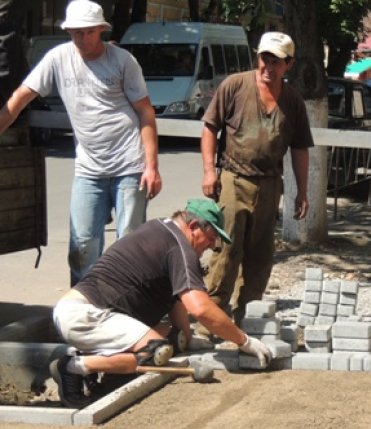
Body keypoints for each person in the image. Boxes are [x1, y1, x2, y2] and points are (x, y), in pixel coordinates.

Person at [49, 198, 273, 408]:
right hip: (86, 316)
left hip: (85, 312)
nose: (213, 245)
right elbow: (200, 308)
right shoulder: (180, 248)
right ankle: (73, 368)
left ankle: (96, 371)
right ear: (195, 226)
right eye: (212, 236)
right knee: (158, 351)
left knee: (175, 338)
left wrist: (187, 336)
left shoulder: (162, 230)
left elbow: (173, 298)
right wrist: (244, 341)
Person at [0, 0, 162, 286]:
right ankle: (84, 306)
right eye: (75, 32)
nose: (81, 38)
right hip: (89, 169)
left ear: (100, 29)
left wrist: (151, 167)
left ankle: (128, 307)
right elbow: (19, 99)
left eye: (88, 32)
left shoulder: (122, 61)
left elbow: (145, 113)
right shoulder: (58, 58)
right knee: (82, 245)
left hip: (130, 165)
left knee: (129, 243)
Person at [200, 31, 313, 323]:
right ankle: (212, 317)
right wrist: (209, 172)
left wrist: (302, 191)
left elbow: (300, 148)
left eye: (276, 61)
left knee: (260, 255)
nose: (269, 67)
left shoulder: (293, 102)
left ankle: (247, 316)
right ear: (258, 57)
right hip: (233, 180)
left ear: (288, 64)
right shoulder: (235, 85)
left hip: (270, 184)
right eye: (265, 58)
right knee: (226, 250)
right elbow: (210, 127)